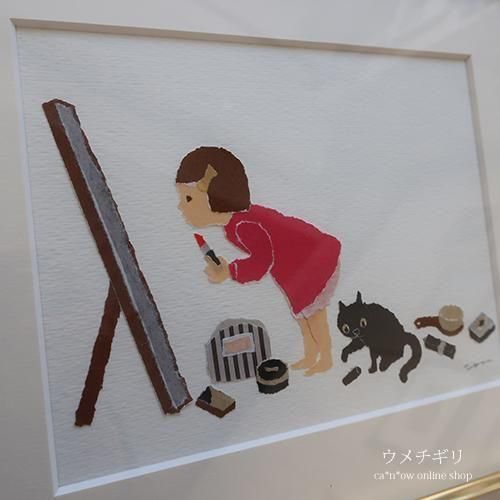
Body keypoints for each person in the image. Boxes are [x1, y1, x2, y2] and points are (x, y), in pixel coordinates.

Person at [176, 146, 341, 376]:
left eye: (188, 198)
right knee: (303, 314)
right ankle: (312, 354)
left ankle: (326, 358)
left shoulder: (243, 225)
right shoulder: (236, 224)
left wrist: (230, 271)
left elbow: (261, 263)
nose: (181, 206)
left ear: (214, 194)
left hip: (313, 260)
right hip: (294, 268)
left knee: (313, 314)